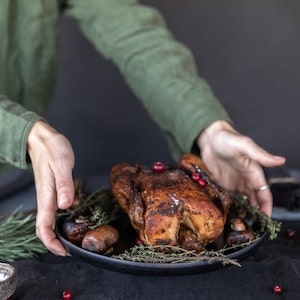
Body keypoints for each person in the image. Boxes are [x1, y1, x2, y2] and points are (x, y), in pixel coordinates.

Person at [0, 0, 285, 256]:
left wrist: (208, 127)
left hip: (25, 180)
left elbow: (132, 32)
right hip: (29, 162)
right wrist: (26, 133)